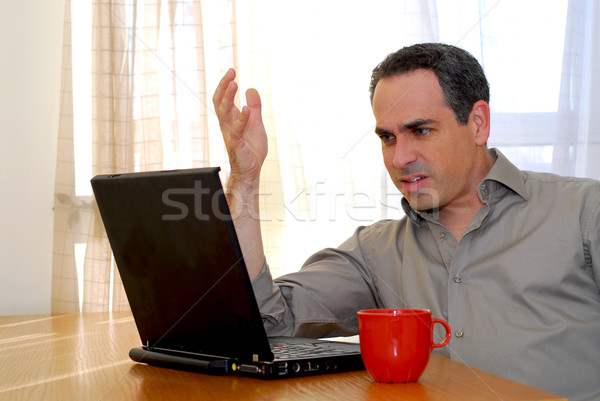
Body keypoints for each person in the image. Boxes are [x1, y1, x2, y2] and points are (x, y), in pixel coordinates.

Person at [213, 43, 600, 401]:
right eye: (387, 137)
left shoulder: (584, 210)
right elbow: (267, 321)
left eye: (420, 130)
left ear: (478, 123)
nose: (400, 158)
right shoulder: (374, 252)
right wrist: (244, 178)